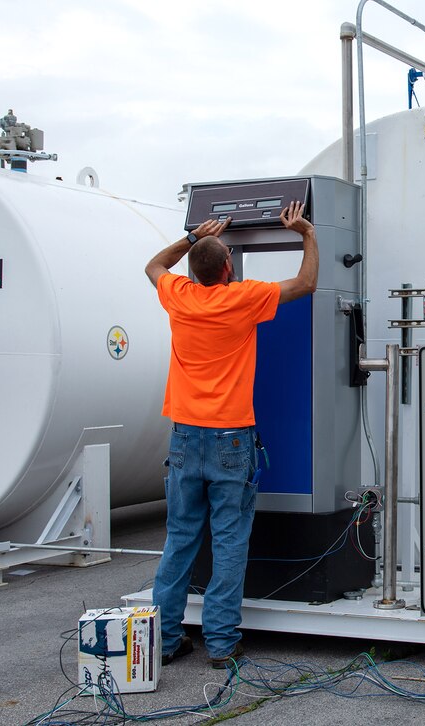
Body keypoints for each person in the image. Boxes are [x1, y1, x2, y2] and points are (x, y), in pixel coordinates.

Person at [144, 201, 318, 668]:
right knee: (229, 539)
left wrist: (192, 236)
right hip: (230, 440)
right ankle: (221, 644)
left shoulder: (177, 295)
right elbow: (305, 284)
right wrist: (307, 233)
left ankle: (164, 639)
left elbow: (153, 266)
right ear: (227, 268)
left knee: (180, 538)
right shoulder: (242, 298)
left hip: (184, 437)